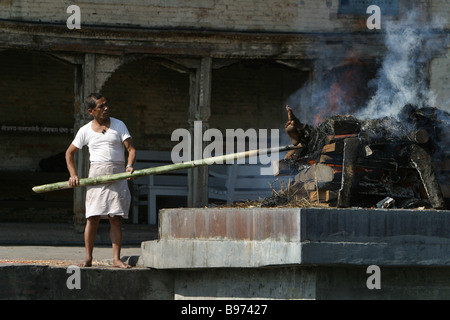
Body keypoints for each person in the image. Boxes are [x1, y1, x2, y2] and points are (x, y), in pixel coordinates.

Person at [65, 93, 136, 268]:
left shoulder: (119, 125)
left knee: (116, 218)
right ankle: (88, 258)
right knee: (93, 218)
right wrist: (73, 174)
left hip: (118, 175)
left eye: (106, 105)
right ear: (91, 111)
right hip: (96, 176)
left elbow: (131, 149)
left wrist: (129, 166)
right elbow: (69, 153)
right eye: (101, 107)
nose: (106, 108)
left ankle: (116, 259)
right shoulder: (85, 130)